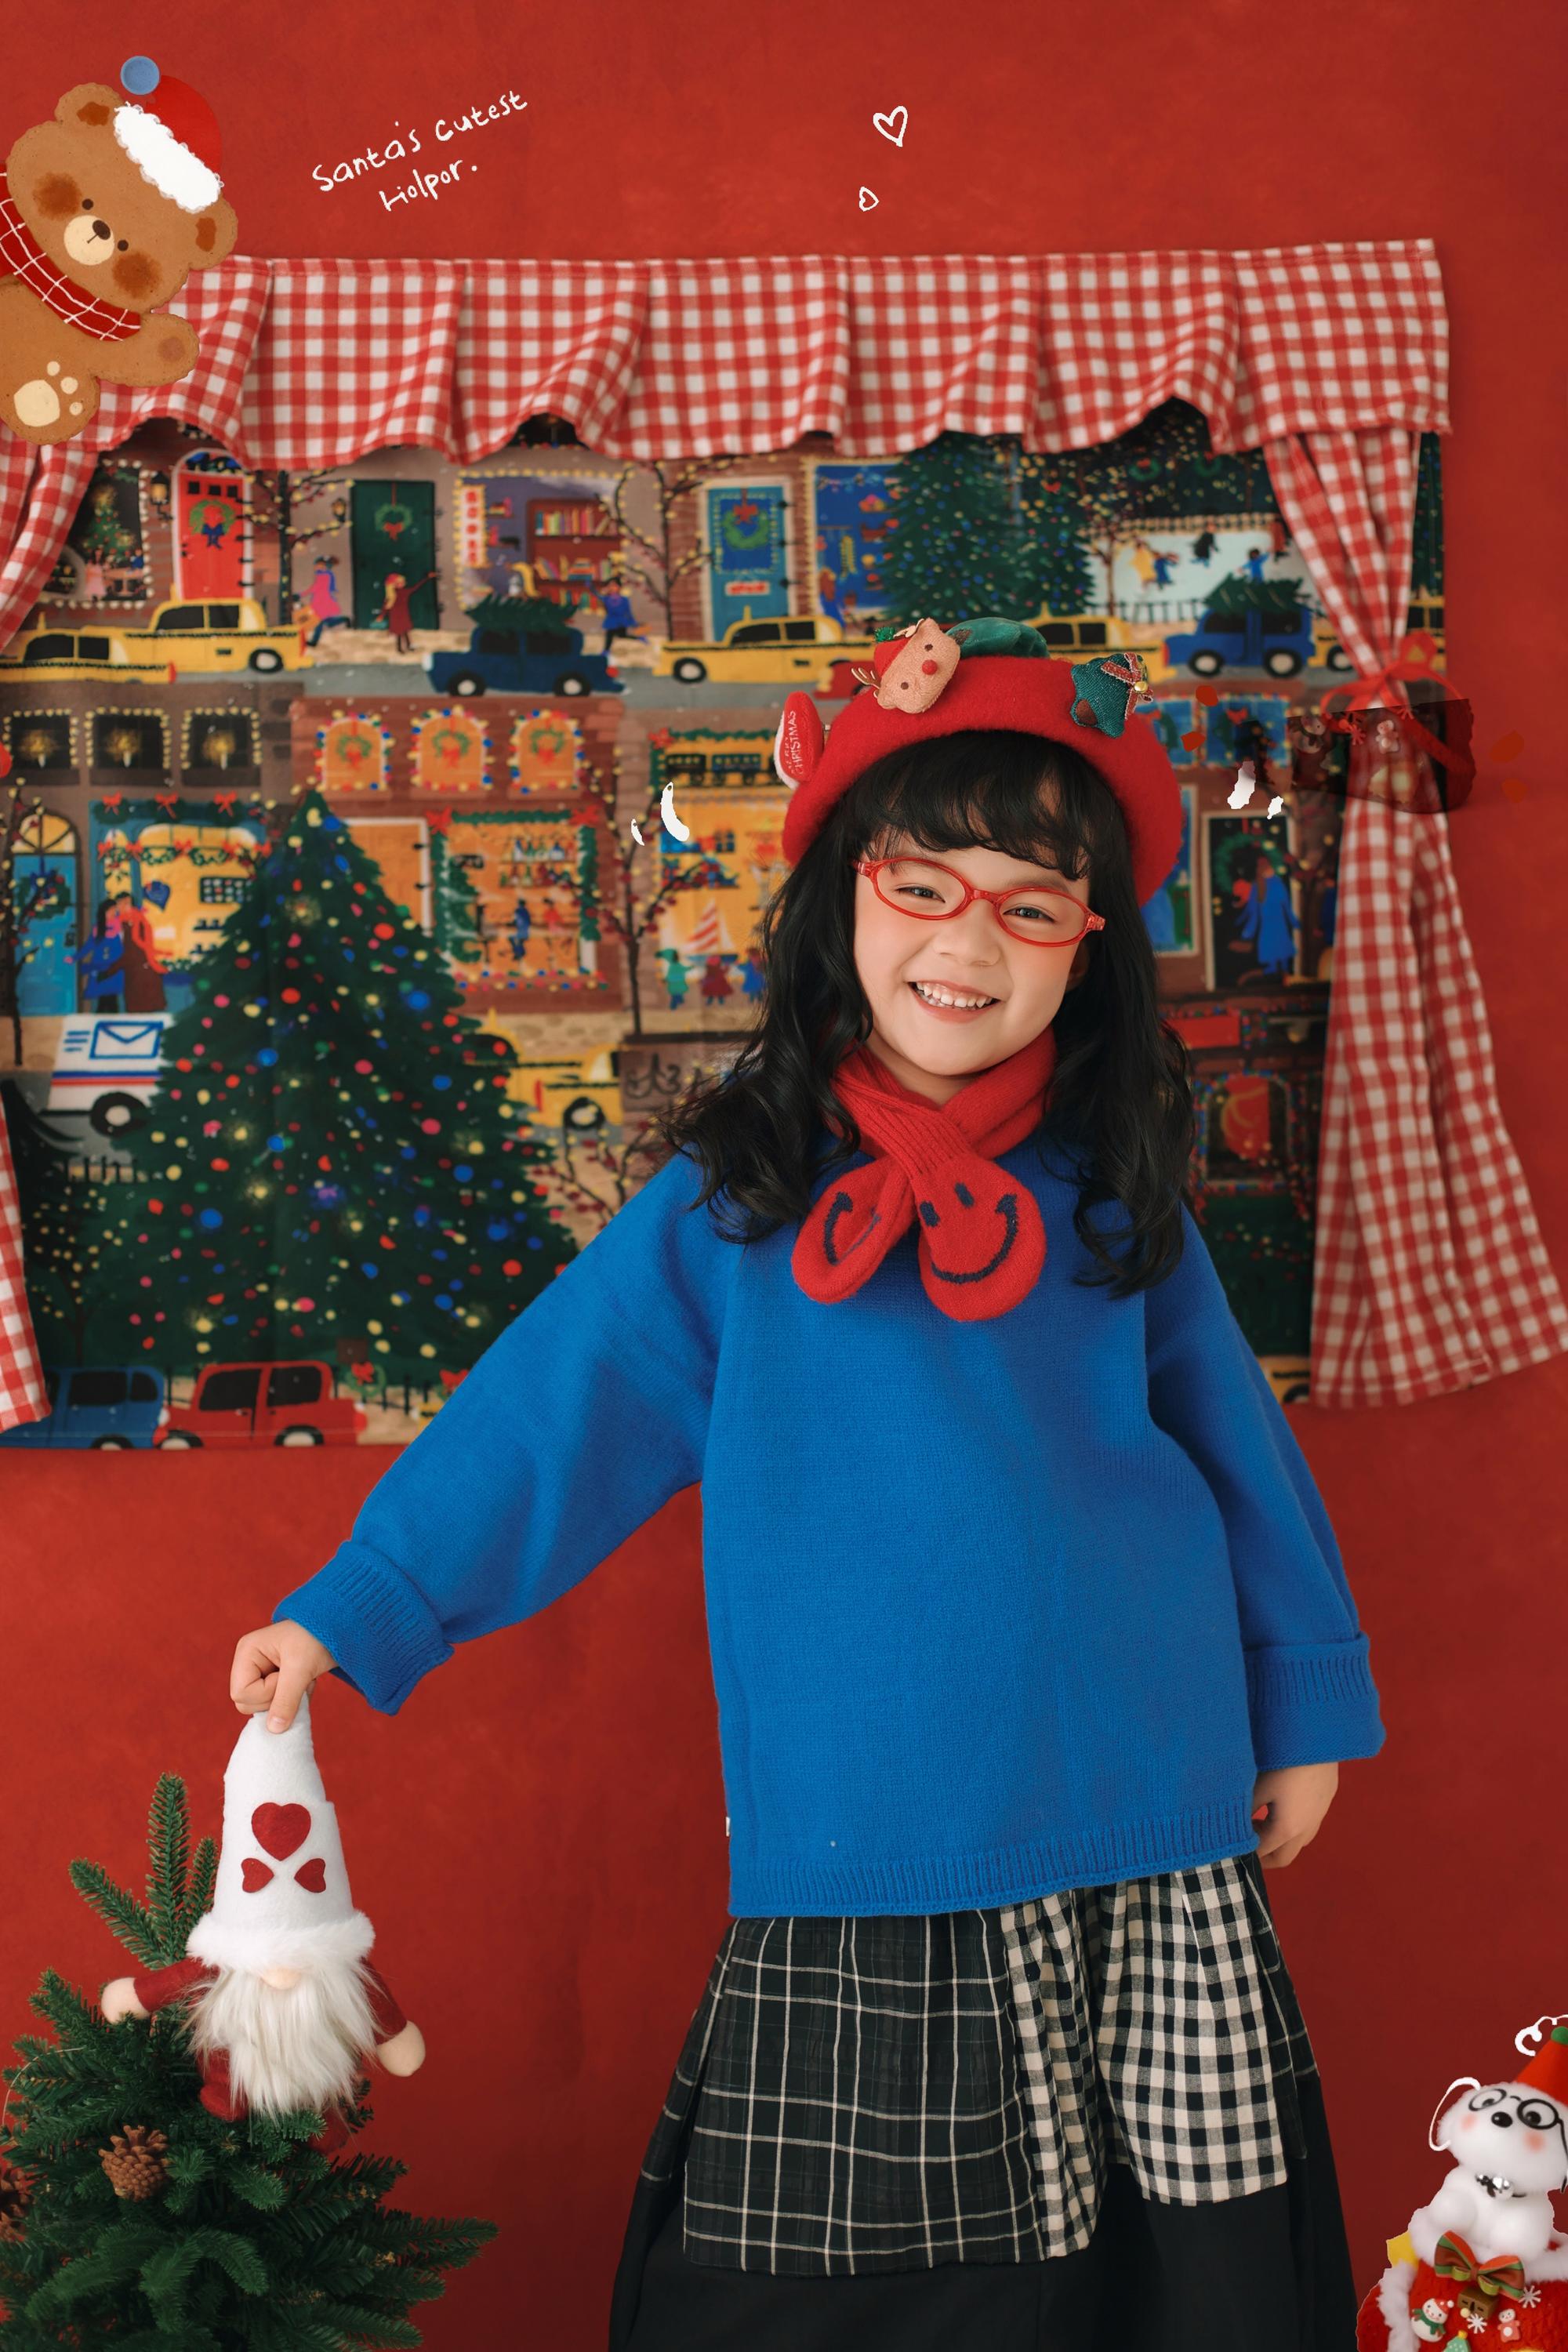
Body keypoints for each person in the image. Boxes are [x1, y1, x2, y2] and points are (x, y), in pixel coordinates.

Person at [230, 628, 1381, 2351]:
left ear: (1089, 948)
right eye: (924, 885)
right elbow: (555, 1414)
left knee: (1177, 2279)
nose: (966, 943)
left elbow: (1236, 1455)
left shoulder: (1113, 1187)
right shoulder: (737, 1200)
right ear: (844, 893)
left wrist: (1300, 1706)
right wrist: (358, 1610)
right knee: (873, 2294)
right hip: (868, 1830)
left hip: (1149, 1808)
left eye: (1030, 906)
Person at [109, 890, 165, 1012]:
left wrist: (112, 968)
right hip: (133, 972)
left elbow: (134, 950)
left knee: (143, 1009)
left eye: (126, 904)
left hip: (141, 972)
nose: (123, 907)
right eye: (120, 904)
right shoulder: (120, 923)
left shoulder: (137, 922)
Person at [74, 898, 125, 1011]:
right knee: (103, 999)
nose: (113, 912)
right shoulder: (98, 929)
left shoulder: (119, 927)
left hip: (115, 967)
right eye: (110, 910)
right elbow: (89, 946)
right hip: (100, 967)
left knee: (112, 999)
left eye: (114, 910)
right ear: (104, 912)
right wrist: (75, 957)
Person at [307, 556, 351, 648]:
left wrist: (301, 595)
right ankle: (344, 619)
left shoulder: (326, 575)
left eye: (319, 565)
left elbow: (318, 589)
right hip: (322, 601)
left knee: (319, 621)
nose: (317, 567)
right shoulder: (322, 574)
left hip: (324, 601)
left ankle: (314, 641)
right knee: (328, 622)